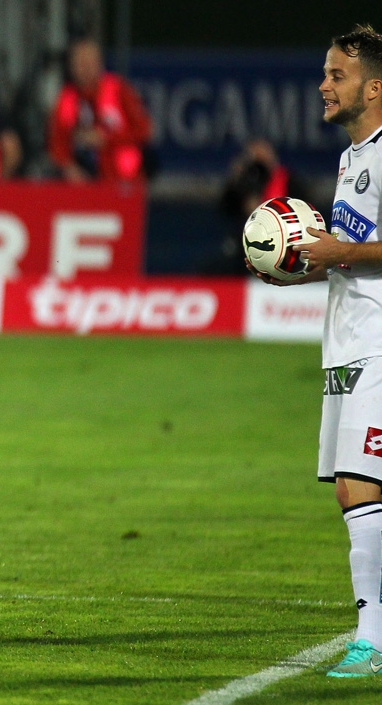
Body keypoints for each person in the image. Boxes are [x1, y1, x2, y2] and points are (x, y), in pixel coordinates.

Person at [247, 24, 382, 677]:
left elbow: (359, 253)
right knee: (353, 489)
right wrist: (305, 263)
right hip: (347, 337)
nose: (324, 85)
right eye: (326, 73)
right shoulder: (351, 158)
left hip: (380, 340)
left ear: (374, 87)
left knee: (361, 483)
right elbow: (351, 257)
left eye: (337, 75)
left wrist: (343, 253)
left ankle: (372, 637)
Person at [47, 37, 151, 183]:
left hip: (122, 179)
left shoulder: (118, 90)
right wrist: (68, 167)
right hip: (81, 182)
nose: (85, 69)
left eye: (89, 63)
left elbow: (144, 130)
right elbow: (56, 141)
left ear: (99, 63)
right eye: (80, 64)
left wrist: (105, 138)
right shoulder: (67, 98)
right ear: (71, 67)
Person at [208, 138, 310, 275]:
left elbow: (305, 212)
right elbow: (225, 208)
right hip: (246, 245)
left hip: (283, 243)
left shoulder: (288, 180)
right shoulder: (246, 180)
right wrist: (236, 177)